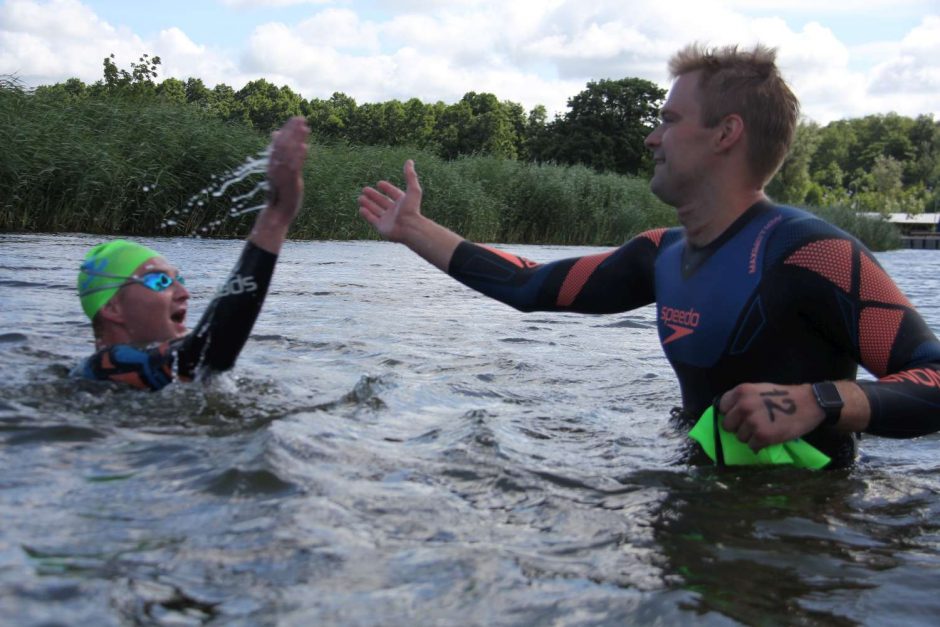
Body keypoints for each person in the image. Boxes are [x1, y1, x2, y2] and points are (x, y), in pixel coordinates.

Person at [358, 44, 940, 467]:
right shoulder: (661, 254)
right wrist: (413, 228)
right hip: (693, 498)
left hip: (804, 529)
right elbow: (530, 287)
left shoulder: (817, 253)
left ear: (726, 133)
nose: (650, 138)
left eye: (668, 119)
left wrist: (820, 400)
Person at [75, 116, 310, 391]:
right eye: (160, 281)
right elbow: (206, 352)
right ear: (113, 308)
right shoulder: (106, 365)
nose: (184, 293)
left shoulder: (155, 372)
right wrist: (275, 216)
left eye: (180, 280)